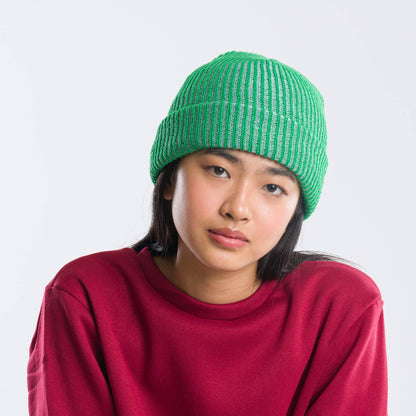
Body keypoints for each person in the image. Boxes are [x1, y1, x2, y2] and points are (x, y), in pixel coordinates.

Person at [27, 51, 388, 415]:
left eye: (273, 188)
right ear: (171, 179)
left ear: (296, 209)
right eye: (218, 170)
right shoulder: (86, 297)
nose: (238, 208)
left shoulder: (340, 308)